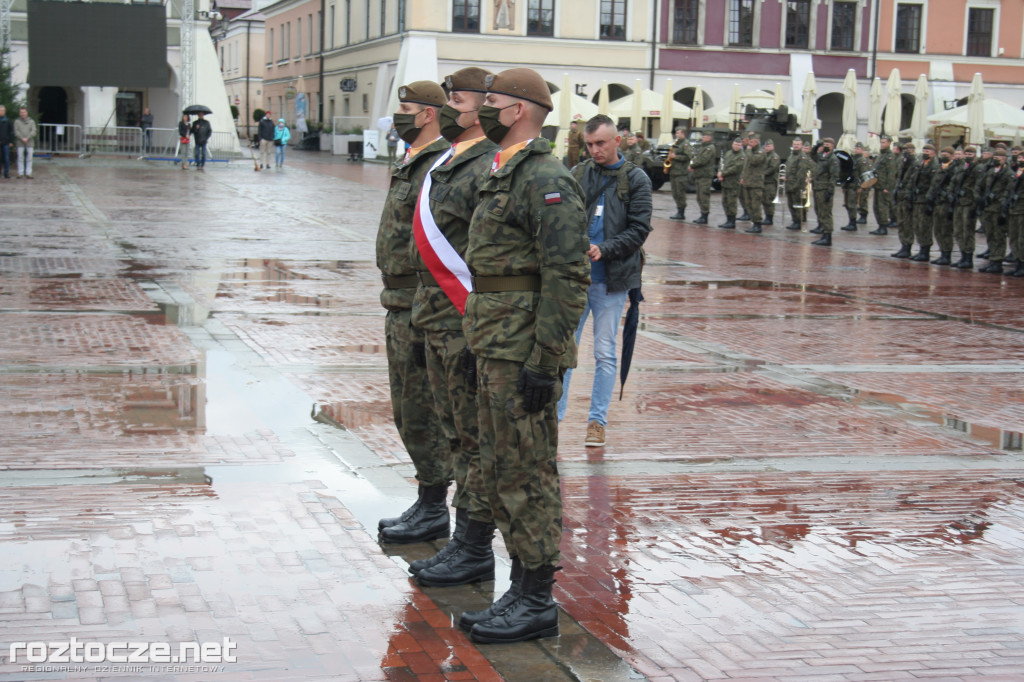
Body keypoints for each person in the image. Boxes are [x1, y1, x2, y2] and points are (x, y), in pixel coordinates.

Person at [456, 67, 588, 644]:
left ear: (518, 111)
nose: (483, 109)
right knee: (499, 465)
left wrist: (547, 357)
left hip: (523, 349)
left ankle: (536, 597)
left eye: (492, 101)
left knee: (528, 471)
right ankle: (519, 588)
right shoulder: (501, 170)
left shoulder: (545, 178)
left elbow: (567, 272)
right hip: (494, 342)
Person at [406, 67, 500, 588]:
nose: (447, 109)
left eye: (456, 101)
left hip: (464, 322)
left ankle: (473, 546)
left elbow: (484, 253)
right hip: (435, 319)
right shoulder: (447, 160)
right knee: (452, 433)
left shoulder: (487, 165)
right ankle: (459, 537)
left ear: (485, 106)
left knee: (472, 439)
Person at [375, 81, 453, 545]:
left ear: (428, 115)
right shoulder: (412, 161)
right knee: (406, 408)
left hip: (420, 303)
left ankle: (433, 504)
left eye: (405, 109)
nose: (398, 116)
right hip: (398, 300)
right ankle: (427, 498)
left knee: (423, 407)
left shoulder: (436, 165)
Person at [556, 114, 651, 447]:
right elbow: (561, 215)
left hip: (612, 280)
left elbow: (639, 229)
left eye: (600, 143)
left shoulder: (636, 179)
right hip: (575, 279)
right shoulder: (578, 173)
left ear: (617, 141)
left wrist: (605, 249)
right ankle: (554, 418)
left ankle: (597, 422)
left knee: (605, 353)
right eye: (589, 144)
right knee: (563, 350)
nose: (594, 150)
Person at [977, 148, 1013, 273]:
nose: (995, 160)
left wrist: (1000, 202)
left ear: (1004, 160)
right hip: (988, 208)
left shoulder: (1008, 174)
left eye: (998, 158)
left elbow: (1008, 191)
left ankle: (997, 261)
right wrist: (980, 199)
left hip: (997, 208)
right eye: (994, 158)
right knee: (990, 234)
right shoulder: (991, 172)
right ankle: (992, 259)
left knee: (998, 236)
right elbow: (981, 185)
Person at [925, 146, 957, 265]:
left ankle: (947, 254)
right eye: (943, 153)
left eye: (947, 154)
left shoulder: (954, 169)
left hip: (945, 202)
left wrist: (945, 195)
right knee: (937, 229)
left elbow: (953, 185)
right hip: (937, 202)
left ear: (952, 156)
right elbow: (933, 184)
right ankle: (942, 252)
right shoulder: (940, 167)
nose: (944, 156)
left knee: (945, 229)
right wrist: (930, 197)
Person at [908, 143, 938, 261]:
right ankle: (921, 248)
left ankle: (925, 251)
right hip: (917, 198)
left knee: (925, 226)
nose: (925, 153)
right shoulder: (921, 164)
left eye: (928, 151)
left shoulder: (934, 166)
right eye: (924, 151)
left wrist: (929, 199)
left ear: (933, 153)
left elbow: (934, 184)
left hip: (925, 199)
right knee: (917, 225)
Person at [951, 146, 980, 268]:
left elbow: (978, 186)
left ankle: (968, 257)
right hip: (959, 203)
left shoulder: (978, 168)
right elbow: (954, 182)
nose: (968, 155)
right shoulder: (961, 167)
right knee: (958, 231)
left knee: (967, 231)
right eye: (966, 153)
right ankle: (963, 255)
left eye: (971, 153)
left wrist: (974, 204)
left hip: (969, 203)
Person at [809, 137, 838, 246]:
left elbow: (834, 176)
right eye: (824, 143)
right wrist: (817, 146)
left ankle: (828, 236)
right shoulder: (822, 156)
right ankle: (824, 234)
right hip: (818, 187)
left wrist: (830, 191)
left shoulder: (832, 159)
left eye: (828, 144)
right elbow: (812, 155)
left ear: (832, 146)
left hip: (825, 188)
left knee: (826, 213)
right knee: (820, 211)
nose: (826, 145)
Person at [891, 142, 918, 258]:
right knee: (901, 223)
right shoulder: (903, 163)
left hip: (908, 197)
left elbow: (913, 181)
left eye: (909, 150)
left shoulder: (915, 164)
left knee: (907, 223)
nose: (906, 152)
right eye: (905, 150)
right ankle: (903, 246)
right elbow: (897, 177)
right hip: (900, 195)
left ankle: (907, 247)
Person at [738, 134, 767, 233]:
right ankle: (753, 222)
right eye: (749, 142)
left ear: (757, 141)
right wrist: (742, 177)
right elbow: (745, 166)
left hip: (756, 183)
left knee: (755, 204)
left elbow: (754, 161)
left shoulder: (761, 152)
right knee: (748, 204)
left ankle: (758, 224)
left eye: (751, 142)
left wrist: (749, 150)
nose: (749, 144)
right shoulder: (749, 153)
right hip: (748, 181)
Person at [870, 135, 897, 235]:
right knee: (876, 206)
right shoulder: (881, 155)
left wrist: (888, 187)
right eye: (881, 142)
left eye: (884, 142)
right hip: (878, 184)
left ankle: (883, 226)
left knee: (882, 207)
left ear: (889, 143)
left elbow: (891, 173)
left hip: (884, 186)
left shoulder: (890, 156)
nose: (882, 144)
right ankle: (880, 225)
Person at [689, 130, 716, 224]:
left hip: (705, 175)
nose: (702, 138)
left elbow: (703, 160)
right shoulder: (703, 147)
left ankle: (705, 215)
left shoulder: (709, 148)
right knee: (699, 197)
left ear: (709, 138)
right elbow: (697, 158)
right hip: (699, 175)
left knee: (704, 196)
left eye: (704, 137)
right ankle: (702, 214)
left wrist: (693, 165)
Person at [717, 137, 743, 229]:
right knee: (725, 202)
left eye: (739, 145)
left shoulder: (741, 156)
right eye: (735, 144)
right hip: (725, 181)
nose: (737, 146)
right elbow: (722, 163)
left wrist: (723, 173)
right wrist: (719, 172)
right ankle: (728, 219)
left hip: (733, 182)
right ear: (732, 144)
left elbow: (736, 168)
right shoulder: (728, 153)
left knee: (732, 202)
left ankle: (732, 221)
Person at [784, 138, 810, 231]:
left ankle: (798, 222)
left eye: (798, 144)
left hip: (796, 186)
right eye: (795, 144)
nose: (796, 146)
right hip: (789, 184)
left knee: (797, 205)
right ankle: (794, 220)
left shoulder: (802, 157)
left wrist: (795, 186)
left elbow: (801, 174)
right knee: (791, 204)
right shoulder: (791, 156)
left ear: (801, 145)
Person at [666, 127, 691, 220]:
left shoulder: (686, 144)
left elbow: (688, 156)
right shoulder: (676, 143)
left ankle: (681, 212)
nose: (676, 134)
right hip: (674, 171)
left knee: (680, 193)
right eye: (676, 133)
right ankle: (678, 210)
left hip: (681, 172)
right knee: (675, 193)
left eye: (678, 133)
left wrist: (675, 157)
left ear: (683, 133)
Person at [1007, 149, 1024, 277]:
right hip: (1014, 209)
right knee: (1014, 237)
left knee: (1022, 239)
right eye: (1019, 160)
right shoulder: (1016, 173)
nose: (1020, 162)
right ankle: (1017, 263)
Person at [761, 138, 781, 226]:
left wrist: (761, 174)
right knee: (764, 200)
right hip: (763, 181)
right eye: (766, 146)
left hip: (770, 182)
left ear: (772, 147)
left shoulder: (774, 156)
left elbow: (772, 168)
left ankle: (769, 218)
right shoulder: (764, 155)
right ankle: (766, 216)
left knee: (769, 200)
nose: (767, 148)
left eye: (769, 146)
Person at [13, 107, 36, 179]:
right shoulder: (17, 121)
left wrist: (27, 138)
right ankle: (20, 173)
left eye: (24, 112)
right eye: (21, 112)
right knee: (20, 158)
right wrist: (22, 138)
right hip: (20, 142)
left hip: (30, 142)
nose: (22, 114)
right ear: (19, 113)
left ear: (27, 113)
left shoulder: (32, 121)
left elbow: (34, 131)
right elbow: (16, 131)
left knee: (29, 158)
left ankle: (29, 173)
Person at [0, 105, 13, 179]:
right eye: (0, 110)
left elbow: (11, 131)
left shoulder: (7, 120)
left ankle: (6, 173)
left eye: (3, 110)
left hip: (6, 142)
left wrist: (10, 141)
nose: (2, 112)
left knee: (6, 158)